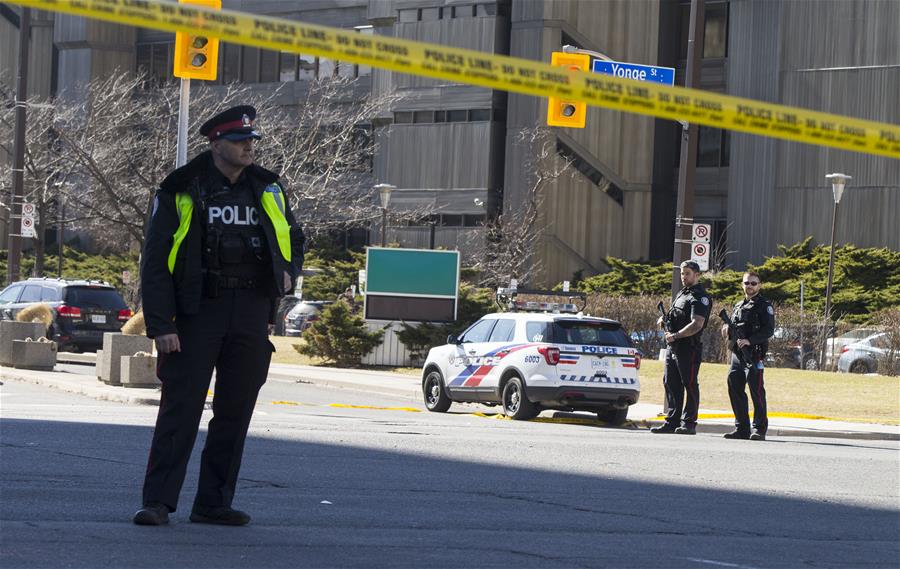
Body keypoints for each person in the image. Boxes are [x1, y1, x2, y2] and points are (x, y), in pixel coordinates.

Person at [133, 105, 304, 526]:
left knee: (235, 412)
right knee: (181, 411)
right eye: (240, 141)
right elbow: (154, 263)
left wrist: (287, 274)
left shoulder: (268, 188)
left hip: (249, 312)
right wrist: (162, 325)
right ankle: (158, 502)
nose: (249, 147)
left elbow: (293, 238)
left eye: (252, 141)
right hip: (197, 313)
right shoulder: (180, 187)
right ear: (216, 145)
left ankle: (213, 502)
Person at [651, 260, 711, 435]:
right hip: (673, 346)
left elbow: (697, 324)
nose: (684, 277)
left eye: (688, 274)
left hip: (688, 347)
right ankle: (672, 421)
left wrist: (676, 335)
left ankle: (689, 423)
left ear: (697, 275)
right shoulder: (682, 293)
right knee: (671, 382)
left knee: (689, 384)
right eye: (682, 273)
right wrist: (664, 319)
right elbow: (676, 315)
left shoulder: (700, 296)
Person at [721, 271, 775, 441]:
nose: (749, 286)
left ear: (759, 285)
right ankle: (742, 428)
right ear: (742, 284)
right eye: (747, 283)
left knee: (756, 391)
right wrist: (726, 330)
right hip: (737, 355)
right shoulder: (738, 305)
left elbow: (768, 330)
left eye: (753, 283)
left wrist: (750, 341)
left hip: (754, 354)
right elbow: (734, 326)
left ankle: (759, 428)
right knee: (734, 388)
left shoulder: (764, 305)